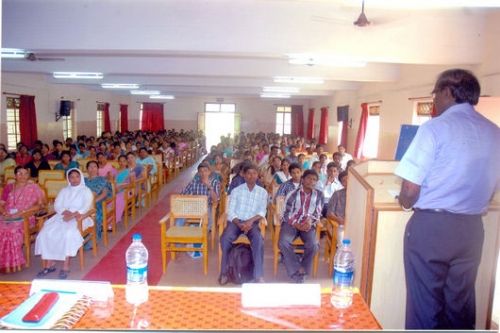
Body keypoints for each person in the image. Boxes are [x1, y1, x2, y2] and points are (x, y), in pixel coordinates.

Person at [395, 69, 500, 329]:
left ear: (447, 92)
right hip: (472, 230)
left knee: (425, 306)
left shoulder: (434, 129)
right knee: (460, 304)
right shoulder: (495, 132)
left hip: (432, 229)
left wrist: (404, 201)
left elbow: (409, 189)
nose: (434, 101)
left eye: (435, 95)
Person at [34, 168, 94, 279]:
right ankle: (49, 264)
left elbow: (85, 206)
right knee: (46, 232)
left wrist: (73, 215)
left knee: (68, 234)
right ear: (68, 178)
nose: (75, 179)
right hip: (63, 216)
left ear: (80, 177)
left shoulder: (86, 190)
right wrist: (65, 212)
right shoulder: (64, 190)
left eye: (77, 176)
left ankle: (65, 266)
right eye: (72, 177)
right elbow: (57, 205)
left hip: (80, 217)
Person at [219, 164, 268, 285]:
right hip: (236, 222)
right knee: (225, 239)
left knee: (258, 240)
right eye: (249, 173)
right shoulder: (236, 191)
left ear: (258, 176)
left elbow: (262, 211)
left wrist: (250, 222)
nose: (252, 176)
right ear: (244, 175)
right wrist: (239, 223)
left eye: (254, 173)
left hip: (252, 223)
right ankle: (224, 272)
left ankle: (258, 275)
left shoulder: (263, 192)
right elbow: (231, 211)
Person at [278, 170, 324, 283]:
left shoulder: (319, 195)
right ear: (302, 180)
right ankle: (296, 269)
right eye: (309, 178)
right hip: (292, 223)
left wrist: (310, 222)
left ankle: (303, 267)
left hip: (307, 225)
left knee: (314, 245)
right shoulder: (293, 193)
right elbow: (286, 213)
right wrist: (296, 224)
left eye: (314, 180)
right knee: (283, 242)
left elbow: (317, 213)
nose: (311, 181)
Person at [0, 166, 45, 272]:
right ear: (15, 175)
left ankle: (13, 263)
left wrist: (22, 213)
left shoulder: (34, 187)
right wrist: (4, 212)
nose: (22, 176)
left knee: (12, 231)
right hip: (8, 216)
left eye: (25, 173)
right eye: (20, 173)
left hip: (26, 217)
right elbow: (1, 204)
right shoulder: (9, 187)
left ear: (28, 175)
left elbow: (40, 206)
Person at [179, 162, 220, 232]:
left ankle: (198, 230)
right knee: (179, 218)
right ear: (198, 173)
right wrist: (190, 199)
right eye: (201, 171)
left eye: (205, 171)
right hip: (194, 206)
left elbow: (216, 200)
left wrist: (209, 186)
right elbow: (183, 195)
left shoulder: (215, 182)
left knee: (200, 225)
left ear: (209, 172)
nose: (203, 173)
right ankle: (178, 233)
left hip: (207, 207)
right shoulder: (194, 182)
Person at [85, 160, 112, 237]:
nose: (92, 169)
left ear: (97, 169)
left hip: (98, 202)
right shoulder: (83, 180)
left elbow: (104, 193)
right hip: (83, 202)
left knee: (94, 214)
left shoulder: (102, 180)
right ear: (87, 169)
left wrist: (93, 202)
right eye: (90, 167)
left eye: (94, 167)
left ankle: (93, 236)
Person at [326, 171, 348, 245]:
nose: (347, 182)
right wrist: (339, 220)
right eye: (344, 181)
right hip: (340, 225)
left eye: (348, 179)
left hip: (356, 226)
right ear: (342, 184)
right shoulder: (337, 194)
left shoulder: (361, 194)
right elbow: (329, 213)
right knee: (343, 244)